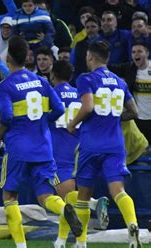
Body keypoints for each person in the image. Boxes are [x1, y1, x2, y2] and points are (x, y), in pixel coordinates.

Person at [0, 36, 82, 248]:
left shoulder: (6, 85)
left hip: (18, 148)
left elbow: (5, 115)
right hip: (43, 146)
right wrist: (43, 121)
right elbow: (59, 109)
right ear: (27, 57)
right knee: (45, 195)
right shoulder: (41, 81)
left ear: (9, 57)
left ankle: (21, 246)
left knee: (9, 196)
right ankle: (63, 209)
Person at [67, 40, 141, 248]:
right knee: (119, 191)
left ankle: (81, 244)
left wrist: (73, 123)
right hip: (115, 143)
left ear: (90, 56)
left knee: (83, 196)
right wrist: (115, 117)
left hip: (91, 143)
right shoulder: (120, 82)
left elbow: (88, 106)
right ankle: (132, 225)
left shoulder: (86, 78)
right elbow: (134, 112)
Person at [49, 61, 109, 248]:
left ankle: (94, 203)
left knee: (68, 201)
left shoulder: (52, 94)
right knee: (73, 203)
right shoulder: (79, 94)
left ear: (53, 75)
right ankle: (66, 242)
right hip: (80, 150)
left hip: (59, 152)